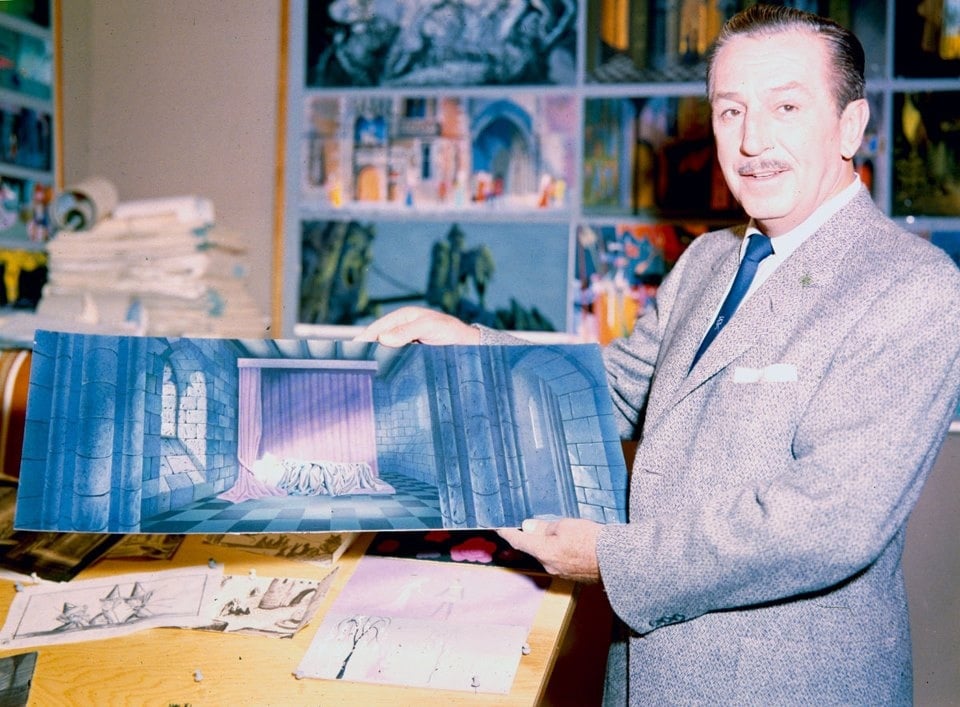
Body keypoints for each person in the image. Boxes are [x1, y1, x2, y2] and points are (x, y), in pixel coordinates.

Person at [358, 5, 960, 704]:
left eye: (785, 105)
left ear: (849, 126)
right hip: (646, 677)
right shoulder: (709, 259)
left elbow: (826, 523)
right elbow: (611, 390)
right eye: (729, 111)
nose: (753, 140)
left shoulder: (914, 286)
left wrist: (608, 559)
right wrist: (476, 344)